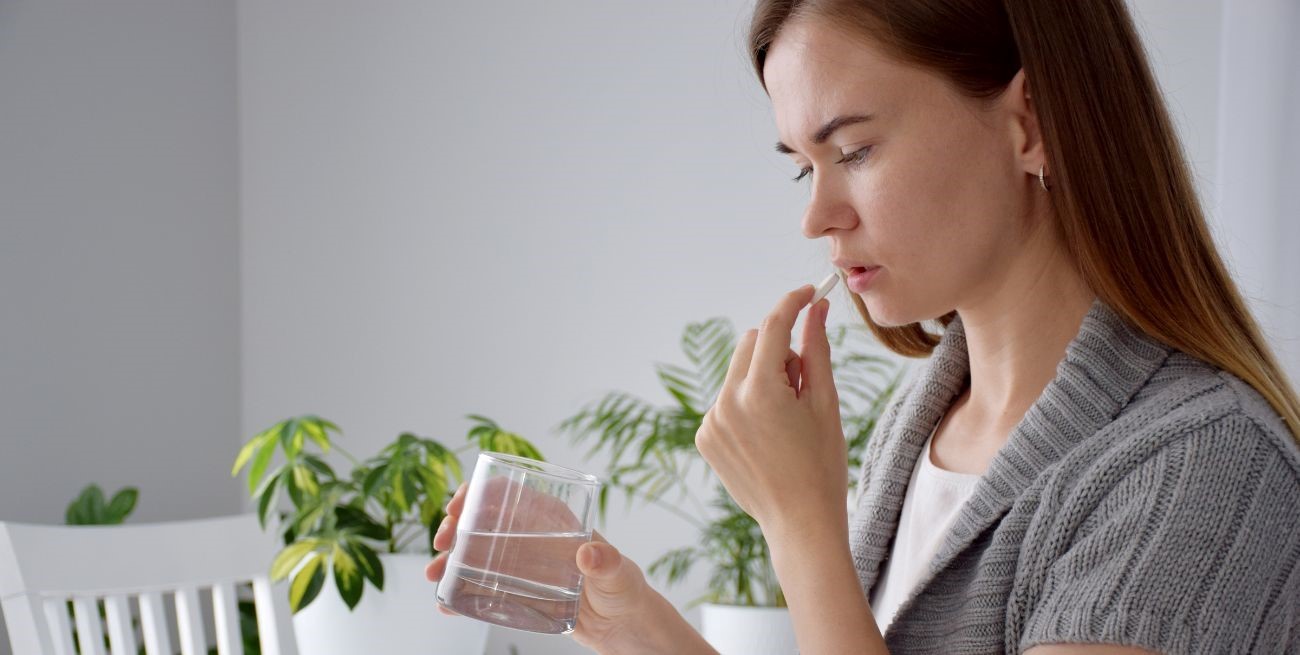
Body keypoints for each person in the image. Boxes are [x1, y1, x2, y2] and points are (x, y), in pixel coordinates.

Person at [427, 0, 1300, 653]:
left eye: (853, 151)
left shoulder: (1206, 471)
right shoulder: (921, 427)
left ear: (1031, 123)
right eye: (802, 167)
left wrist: (801, 524)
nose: (817, 216)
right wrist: (627, 618)